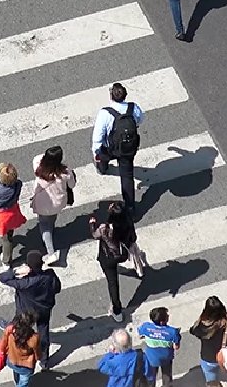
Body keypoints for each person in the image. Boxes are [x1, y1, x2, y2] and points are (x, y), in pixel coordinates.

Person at [0, 251, 60, 370]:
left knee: (19, 327)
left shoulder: (24, 282)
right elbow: (57, 288)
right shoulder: (50, 275)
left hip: (26, 312)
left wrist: (16, 271)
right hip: (44, 309)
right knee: (43, 331)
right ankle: (44, 361)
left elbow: (2, 277)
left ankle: (11, 331)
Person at [92, 81, 145, 213]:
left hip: (110, 148)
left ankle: (103, 167)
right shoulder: (133, 108)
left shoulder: (105, 113)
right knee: (127, 177)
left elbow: (98, 138)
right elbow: (140, 119)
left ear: (111, 96)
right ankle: (130, 207)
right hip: (127, 148)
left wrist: (96, 152)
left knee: (103, 156)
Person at [89, 200, 144, 322]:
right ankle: (117, 311)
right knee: (113, 282)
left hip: (108, 257)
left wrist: (92, 224)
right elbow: (133, 237)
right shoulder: (127, 222)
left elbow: (94, 234)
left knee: (112, 283)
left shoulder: (105, 228)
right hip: (122, 254)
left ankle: (117, 310)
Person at [30, 145, 75, 266]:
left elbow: (36, 158)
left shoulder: (39, 168)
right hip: (58, 203)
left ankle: (51, 253)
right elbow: (72, 185)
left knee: (44, 226)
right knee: (51, 218)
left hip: (43, 204)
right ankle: (51, 228)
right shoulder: (65, 172)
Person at [188, 296, 227, 387]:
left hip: (208, 358)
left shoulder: (202, 326)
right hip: (225, 357)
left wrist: (201, 319)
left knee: (212, 381)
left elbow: (193, 331)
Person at [138, 307, 181, 387]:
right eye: (166, 315)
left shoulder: (146, 327)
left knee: (151, 376)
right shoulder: (172, 332)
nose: (168, 316)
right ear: (162, 322)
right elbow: (176, 347)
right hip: (166, 358)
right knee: (167, 375)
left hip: (151, 358)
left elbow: (140, 334)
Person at [0, 311, 43, 386]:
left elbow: (3, 345)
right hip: (26, 366)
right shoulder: (34, 338)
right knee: (23, 383)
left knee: (16, 372)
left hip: (12, 360)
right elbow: (38, 354)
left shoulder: (10, 330)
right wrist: (39, 358)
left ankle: (16, 381)